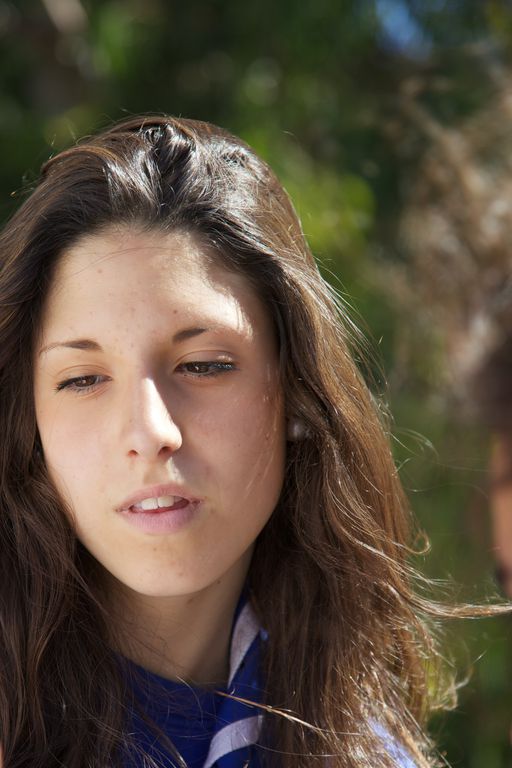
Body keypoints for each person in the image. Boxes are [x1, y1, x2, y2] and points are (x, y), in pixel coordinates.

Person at [0, 114, 440, 767]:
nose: (150, 431)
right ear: (28, 422)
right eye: (83, 379)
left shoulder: (362, 751)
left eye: (203, 366)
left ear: (297, 392)